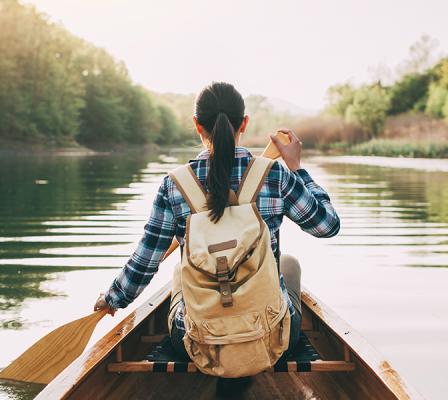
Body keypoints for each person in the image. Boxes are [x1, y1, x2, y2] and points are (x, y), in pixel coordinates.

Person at [94, 81, 340, 365]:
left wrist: (113, 298)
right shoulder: (275, 175)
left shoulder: (174, 186)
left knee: (178, 272)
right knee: (290, 265)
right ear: (244, 123)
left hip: (197, 341)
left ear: (198, 126)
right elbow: (327, 225)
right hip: (273, 337)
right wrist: (296, 168)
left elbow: (145, 262)